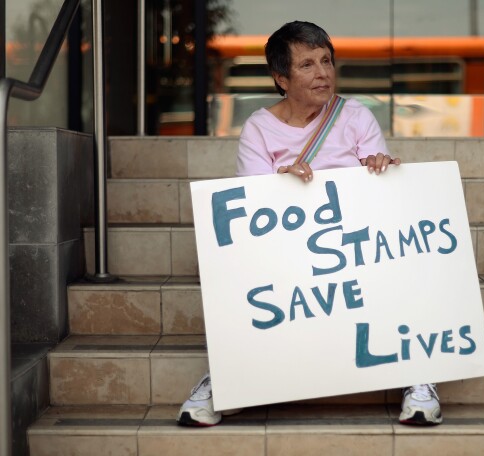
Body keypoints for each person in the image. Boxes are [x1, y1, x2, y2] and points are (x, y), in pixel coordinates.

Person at [177, 20, 442, 427]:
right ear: (281, 78)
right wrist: (280, 187)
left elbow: (377, 199)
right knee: (239, 269)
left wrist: (378, 167)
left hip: (354, 248)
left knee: (407, 257)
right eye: (307, 65)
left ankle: (418, 376)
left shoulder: (355, 117)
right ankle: (229, 378)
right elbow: (251, 212)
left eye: (326, 61)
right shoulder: (259, 130)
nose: (322, 73)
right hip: (289, 253)